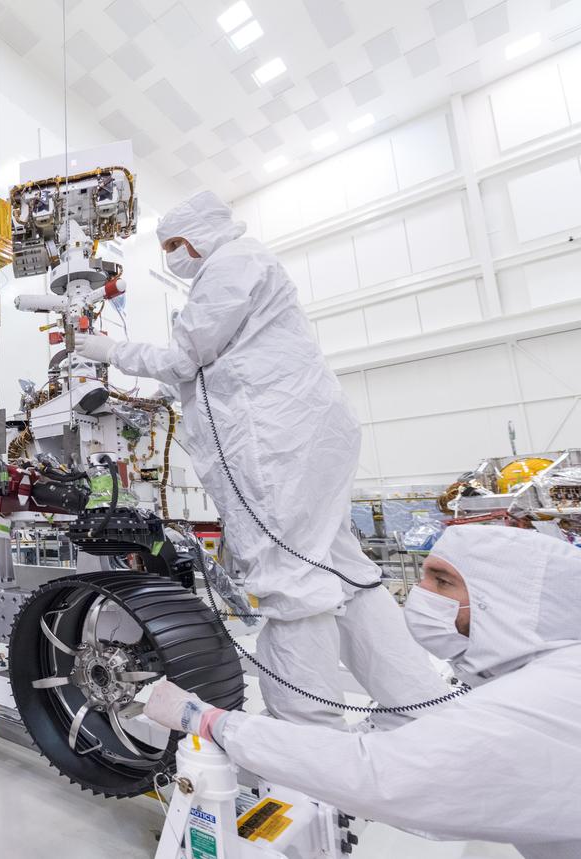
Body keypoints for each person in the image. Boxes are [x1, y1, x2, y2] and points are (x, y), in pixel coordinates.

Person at [76, 190, 445, 728]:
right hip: (302, 434)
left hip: (274, 443)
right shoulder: (249, 265)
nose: (172, 258)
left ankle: (306, 740)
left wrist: (112, 353)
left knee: (289, 581)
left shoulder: (231, 265)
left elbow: (184, 357)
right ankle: (417, 709)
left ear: (199, 235)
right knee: (343, 571)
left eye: (175, 245)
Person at [143, 525, 581, 859]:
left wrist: (209, 720)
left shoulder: (546, 701)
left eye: (442, 582)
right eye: (424, 576)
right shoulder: (543, 670)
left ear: (504, 601)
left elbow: (381, 776)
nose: (419, 596)